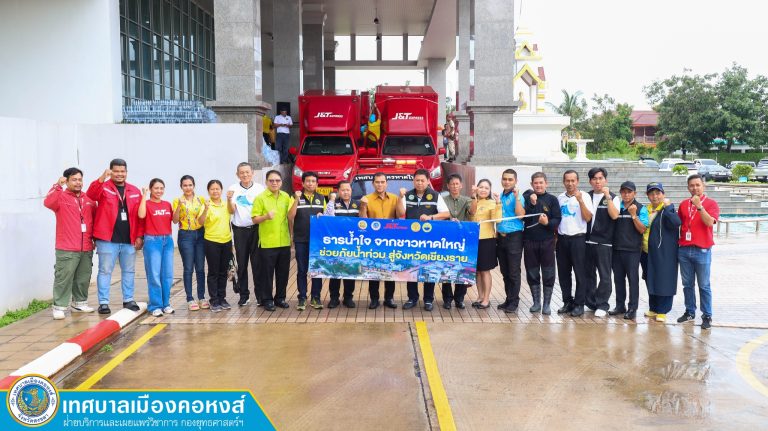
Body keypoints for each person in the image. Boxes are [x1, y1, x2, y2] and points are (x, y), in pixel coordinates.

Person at [86, 159, 144, 315]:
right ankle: (103, 303)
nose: (119, 174)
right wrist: (101, 178)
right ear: (110, 171)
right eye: (116, 171)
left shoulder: (134, 190)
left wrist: (139, 236)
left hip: (129, 239)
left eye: (122, 171)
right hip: (107, 239)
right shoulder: (103, 187)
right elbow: (90, 195)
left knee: (129, 271)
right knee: (105, 271)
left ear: (126, 172)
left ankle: (128, 299)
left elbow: (140, 216)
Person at [44, 168, 97, 320]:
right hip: (67, 247)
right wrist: (57, 185)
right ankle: (59, 307)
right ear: (66, 181)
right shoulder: (60, 197)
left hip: (86, 246)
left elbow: (94, 220)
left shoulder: (89, 199)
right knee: (63, 278)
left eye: (80, 179)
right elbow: (48, 202)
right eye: (74, 180)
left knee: (83, 277)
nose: (78, 182)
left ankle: (79, 303)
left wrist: (94, 239)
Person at [402, 169, 450, 311]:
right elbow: (399, 213)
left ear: (428, 181)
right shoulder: (407, 195)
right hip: (411, 240)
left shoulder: (435, 195)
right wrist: (400, 198)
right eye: (417, 180)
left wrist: (431, 217)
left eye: (422, 180)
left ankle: (428, 300)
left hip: (429, 240)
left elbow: (446, 214)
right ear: (413, 181)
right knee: (411, 269)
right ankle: (412, 298)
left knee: (429, 268)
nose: (420, 183)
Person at [676, 174, 719, 329]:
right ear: (688, 187)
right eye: (691, 185)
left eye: (697, 185)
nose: (695, 188)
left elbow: (709, 222)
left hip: (702, 250)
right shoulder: (683, 204)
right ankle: (690, 311)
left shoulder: (711, 203)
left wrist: (699, 206)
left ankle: (707, 315)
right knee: (687, 284)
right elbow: (678, 224)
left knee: (704, 285)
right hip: (684, 250)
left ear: (703, 186)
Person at [359, 172, 406, 309]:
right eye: (377, 182)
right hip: (373, 242)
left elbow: (401, 214)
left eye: (382, 182)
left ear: (386, 183)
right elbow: (362, 221)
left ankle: (389, 298)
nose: (380, 184)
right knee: (373, 270)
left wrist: (400, 198)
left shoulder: (394, 198)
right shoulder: (366, 199)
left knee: (390, 270)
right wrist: (363, 206)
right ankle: (374, 299)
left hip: (390, 241)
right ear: (373, 184)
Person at [251, 170, 295, 312]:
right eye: (271, 180)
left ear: (281, 182)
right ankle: (267, 300)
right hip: (267, 243)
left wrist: (292, 236)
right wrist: (265, 217)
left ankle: (280, 298)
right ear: (266, 182)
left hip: (284, 241)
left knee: (283, 273)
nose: (274, 183)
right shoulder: (260, 198)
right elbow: (254, 219)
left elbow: (290, 217)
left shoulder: (286, 197)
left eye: (277, 180)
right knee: (267, 274)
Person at [555, 170, 594, 317]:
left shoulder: (584, 196)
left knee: (580, 273)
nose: (570, 183)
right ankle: (567, 301)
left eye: (573, 180)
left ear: (577, 181)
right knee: (563, 273)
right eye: (567, 180)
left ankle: (579, 303)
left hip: (578, 239)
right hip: (562, 239)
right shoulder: (560, 198)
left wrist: (580, 201)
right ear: (563, 182)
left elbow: (588, 218)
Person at [642, 182, 681, 323]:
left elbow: (676, 223)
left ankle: (663, 310)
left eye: (658, 193)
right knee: (650, 279)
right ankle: (653, 308)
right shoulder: (645, 210)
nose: (655, 196)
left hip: (664, 252)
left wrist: (669, 207)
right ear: (647, 195)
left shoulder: (667, 209)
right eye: (651, 194)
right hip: (646, 252)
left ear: (663, 194)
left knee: (664, 280)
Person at [522, 172, 561, 314]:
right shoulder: (526, 198)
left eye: (541, 182)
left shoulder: (552, 199)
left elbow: (557, 219)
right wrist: (532, 204)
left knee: (548, 272)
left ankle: (547, 304)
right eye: (535, 183)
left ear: (546, 183)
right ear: (531, 184)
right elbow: (524, 217)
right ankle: (536, 302)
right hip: (529, 241)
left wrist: (547, 223)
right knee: (532, 272)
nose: (538, 185)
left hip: (547, 241)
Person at [228, 162, 266, 307]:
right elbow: (231, 211)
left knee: (258, 264)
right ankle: (244, 295)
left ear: (252, 173)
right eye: (242, 172)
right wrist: (229, 199)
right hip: (240, 230)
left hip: (257, 229)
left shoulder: (260, 189)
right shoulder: (233, 189)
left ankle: (260, 295)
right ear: (237, 174)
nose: (245, 175)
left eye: (247, 172)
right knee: (242, 264)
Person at [585, 167, 620, 317]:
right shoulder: (586, 196)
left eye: (600, 178)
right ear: (590, 181)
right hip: (587, 241)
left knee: (605, 276)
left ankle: (602, 304)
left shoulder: (613, 197)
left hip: (604, 243)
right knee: (588, 274)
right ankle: (591, 302)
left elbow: (614, 215)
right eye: (594, 179)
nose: (597, 181)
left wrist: (608, 197)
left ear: (605, 180)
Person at [610, 181, 648, 320]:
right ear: (620, 193)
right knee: (618, 279)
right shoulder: (616, 207)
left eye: (629, 192)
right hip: (617, 249)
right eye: (624, 192)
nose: (626, 194)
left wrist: (633, 215)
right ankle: (620, 306)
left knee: (633, 280)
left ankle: (633, 308)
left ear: (634, 193)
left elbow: (642, 229)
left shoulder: (641, 208)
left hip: (632, 250)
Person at [289, 171, 326, 310]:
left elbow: (327, 217)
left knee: (317, 270)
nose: (310, 183)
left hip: (317, 241)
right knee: (302, 270)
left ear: (317, 184)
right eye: (308, 181)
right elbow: (290, 216)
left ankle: (316, 297)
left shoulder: (321, 198)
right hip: (301, 239)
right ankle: (302, 297)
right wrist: (296, 200)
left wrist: (323, 215)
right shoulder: (295, 197)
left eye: (313, 181)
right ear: (303, 183)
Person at [138, 179, 174, 317]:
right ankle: (155, 305)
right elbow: (141, 215)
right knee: (154, 274)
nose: (159, 191)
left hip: (167, 240)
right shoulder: (146, 203)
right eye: (156, 188)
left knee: (167, 274)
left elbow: (174, 220)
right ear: (151, 189)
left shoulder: (167, 204)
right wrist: (144, 195)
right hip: (152, 241)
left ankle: (166, 304)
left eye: (161, 188)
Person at [173, 175, 208, 311]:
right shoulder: (177, 200)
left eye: (190, 185)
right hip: (185, 235)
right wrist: (179, 207)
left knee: (200, 267)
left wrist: (206, 209)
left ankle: (201, 297)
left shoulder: (201, 200)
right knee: (188, 267)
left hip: (200, 234)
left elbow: (203, 219)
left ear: (194, 186)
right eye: (185, 185)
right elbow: (175, 220)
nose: (188, 188)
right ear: (181, 187)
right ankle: (189, 298)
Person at [198, 180, 233, 313]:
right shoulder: (206, 205)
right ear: (208, 191)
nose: (215, 191)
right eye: (212, 189)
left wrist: (229, 199)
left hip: (226, 241)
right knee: (213, 272)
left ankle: (222, 298)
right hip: (211, 241)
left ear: (221, 190)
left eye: (217, 189)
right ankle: (214, 300)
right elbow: (200, 222)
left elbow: (232, 211)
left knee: (223, 271)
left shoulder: (225, 203)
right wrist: (206, 209)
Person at [324, 181, 360, 308]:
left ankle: (348, 298)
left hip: (352, 244)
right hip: (336, 244)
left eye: (348, 190)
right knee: (335, 271)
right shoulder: (334, 204)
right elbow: (327, 218)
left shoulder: (357, 204)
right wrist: (331, 201)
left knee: (350, 271)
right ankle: (334, 298)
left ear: (351, 191)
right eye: (343, 190)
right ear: (338, 191)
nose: (346, 192)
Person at [441, 174, 474, 309]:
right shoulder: (442, 200)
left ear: (461, 185)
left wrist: (474, 197)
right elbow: (439, 215)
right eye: (452, 184)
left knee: (462, 268)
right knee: (446, 268)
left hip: (463, 240)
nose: (454, 186)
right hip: (446, 239)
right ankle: (447, 299)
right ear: (448, 186)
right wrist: (449, 221)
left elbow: (472, 212)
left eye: (457, 184)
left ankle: (459, 299)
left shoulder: (467, 200)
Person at [495, 169, 525, 313]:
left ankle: (514, 301)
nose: (507, 182)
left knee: (513, 272)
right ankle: (508, 299)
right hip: (501, 237)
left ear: (515, 181)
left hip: (514, 236)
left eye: (510, 179)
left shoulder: (517, 196)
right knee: (505, 271)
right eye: (504, 179)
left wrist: (517, 198)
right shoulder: (500, 196)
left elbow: (521, 215)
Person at [470, 179, 502, 309]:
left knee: (485, 271)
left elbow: (497, 220)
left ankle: (486, 299)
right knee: (477, 271)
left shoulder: (492, 203)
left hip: (487, 239)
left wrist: (498, 202)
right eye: (481, 187)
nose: (483, 190)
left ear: (490, 190)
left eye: (486, 188)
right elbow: (471, 214)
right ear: (476, 188)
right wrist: (473, 197)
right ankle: (480, 296)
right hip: (473, 240)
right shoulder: (472, 201)